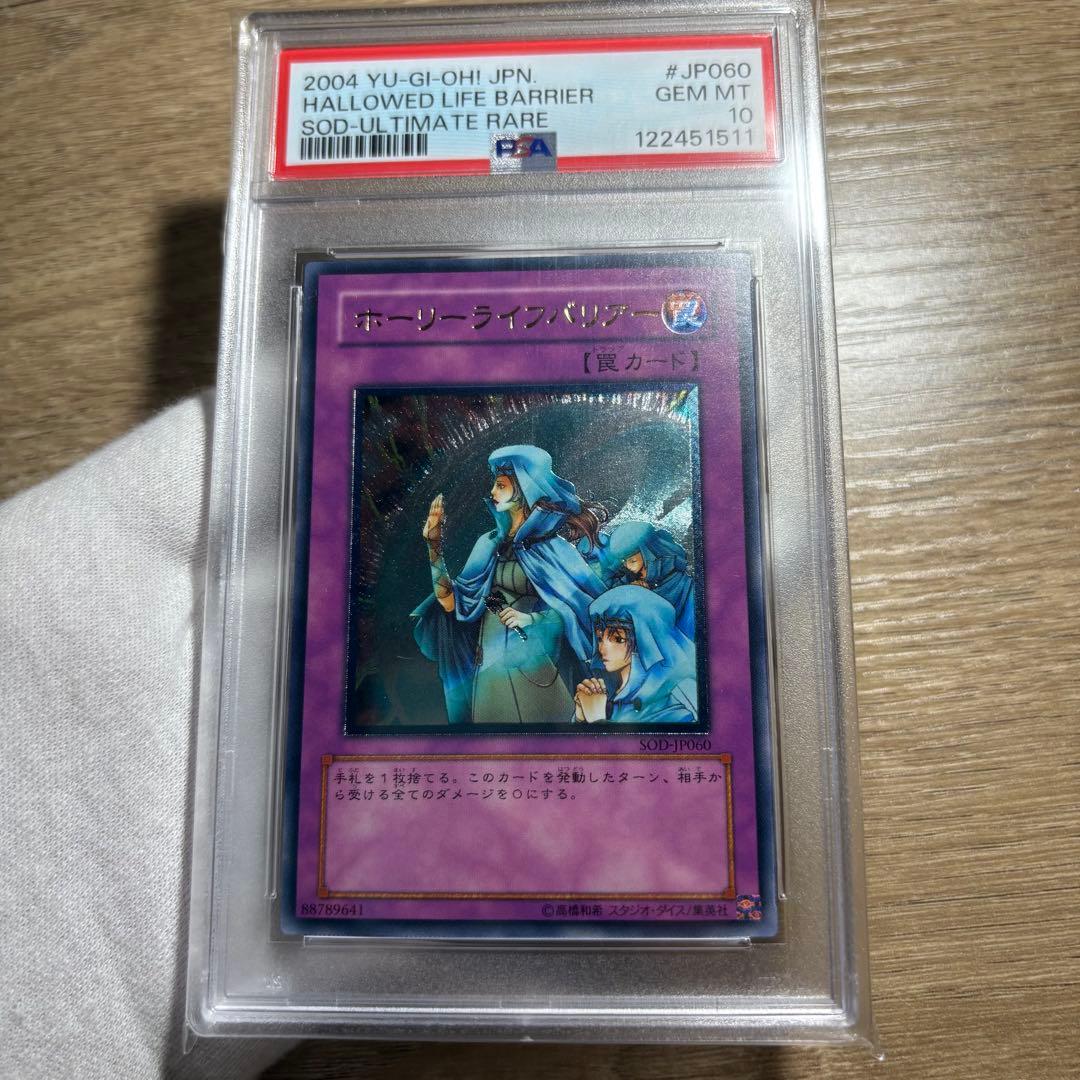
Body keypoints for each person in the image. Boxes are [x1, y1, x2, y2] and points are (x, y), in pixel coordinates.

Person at [412, 444, 607, 725]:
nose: (492, 491)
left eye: (501, 485)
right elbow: (451, 602)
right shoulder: (488, 544)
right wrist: (433, 547)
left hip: (532, 661)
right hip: (488, 667)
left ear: (524, 488)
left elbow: (583, 609)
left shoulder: (555, 549)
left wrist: (532, 619)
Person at [575, 585, 698, 725]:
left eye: (618, 639)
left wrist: (597, 721)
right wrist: (581, 718)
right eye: (599, 638)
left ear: (646, 641)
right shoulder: (612, 695)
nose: (602, 647)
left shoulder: (680, 696)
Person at [596, 520, 696, 638]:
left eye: (632, 561)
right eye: (624, 561)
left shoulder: (687, 587)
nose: (629, 567)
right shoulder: (629, 581)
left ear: (650, 554)